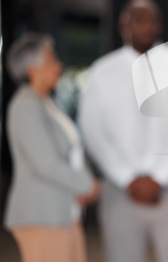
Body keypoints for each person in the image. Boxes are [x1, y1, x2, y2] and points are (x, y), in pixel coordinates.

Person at [78, 0, 168, 262]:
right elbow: (93, 131)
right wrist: (126, 177)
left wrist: (160, 178)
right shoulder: (102, 71)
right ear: (123, 24)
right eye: (139, 20)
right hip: (121, 191)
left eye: (153, 20)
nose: (147, 26)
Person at [4, 33, 99, 262]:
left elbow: (72, 151)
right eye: (51, 60)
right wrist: (86, 184)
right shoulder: (25, 106)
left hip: (64, 212)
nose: (59, 66)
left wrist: (82, 183)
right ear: (31, 69)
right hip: (41, 215)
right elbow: (45, 164)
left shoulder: (48, 103)